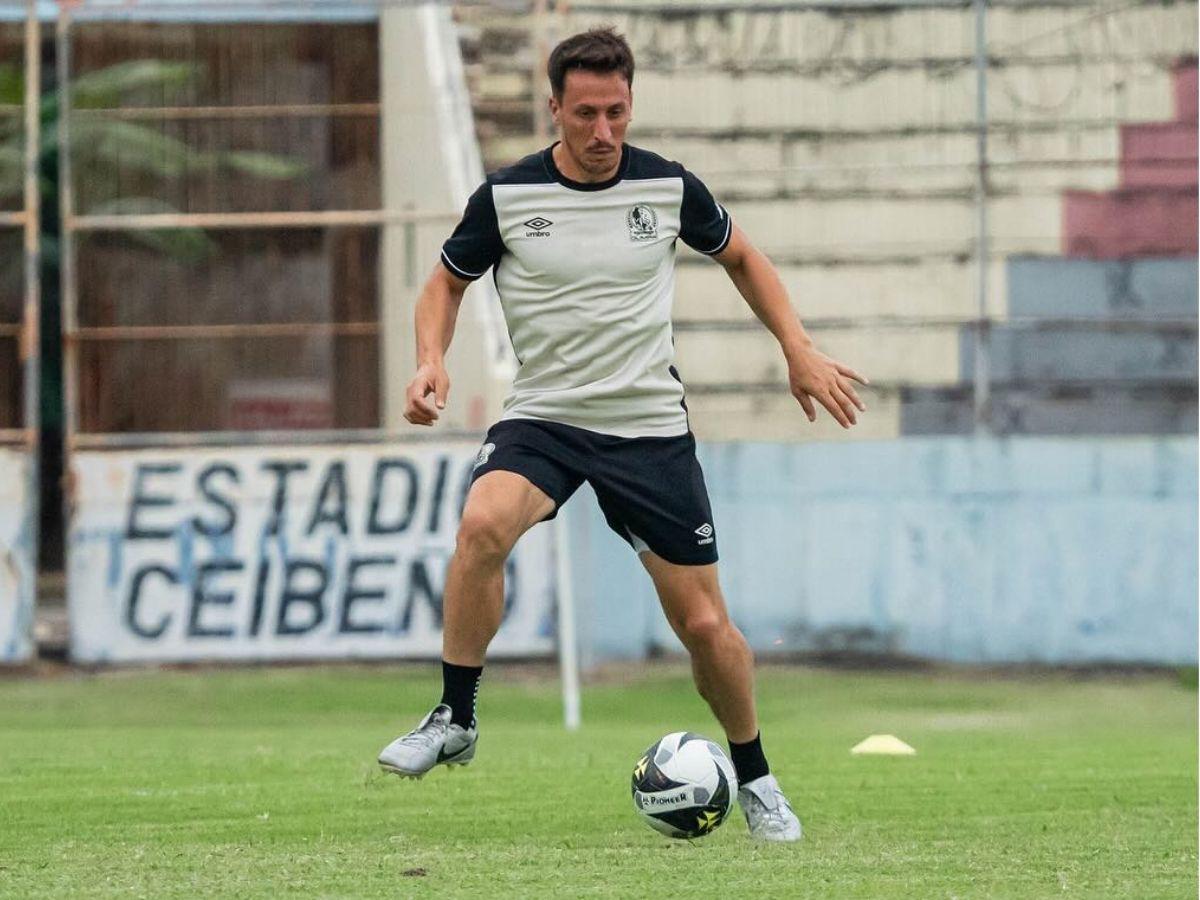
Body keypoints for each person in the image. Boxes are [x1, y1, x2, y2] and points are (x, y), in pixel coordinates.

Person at [378, 27, 867, 843]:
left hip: (647, 429)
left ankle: (757, 780)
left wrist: (797, 347)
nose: (603, 133)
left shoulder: (670, 189)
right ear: (554, 110)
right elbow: (443, 283)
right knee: (481, 526)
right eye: (584, 115)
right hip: (546, 418)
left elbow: (744, 257)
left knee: (707, 630)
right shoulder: (506, 199)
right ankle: (454, 716)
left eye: (616, 113)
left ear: (630, 104)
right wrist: (430, 360)